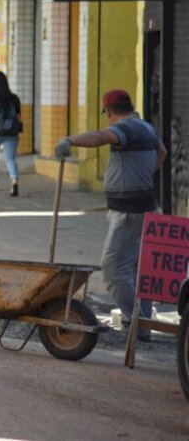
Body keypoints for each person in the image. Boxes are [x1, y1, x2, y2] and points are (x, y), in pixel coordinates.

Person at [55, 89, 166, 341]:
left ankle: (135, 322)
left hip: (129, 213)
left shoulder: (126, 128)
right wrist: (145, 172)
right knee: (136, 270)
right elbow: (162, 153)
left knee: (114, 270)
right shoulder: (147, 128)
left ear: (108, 112)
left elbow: (100, 136)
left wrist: (69, 140)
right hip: (143, 208)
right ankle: (141, 327)